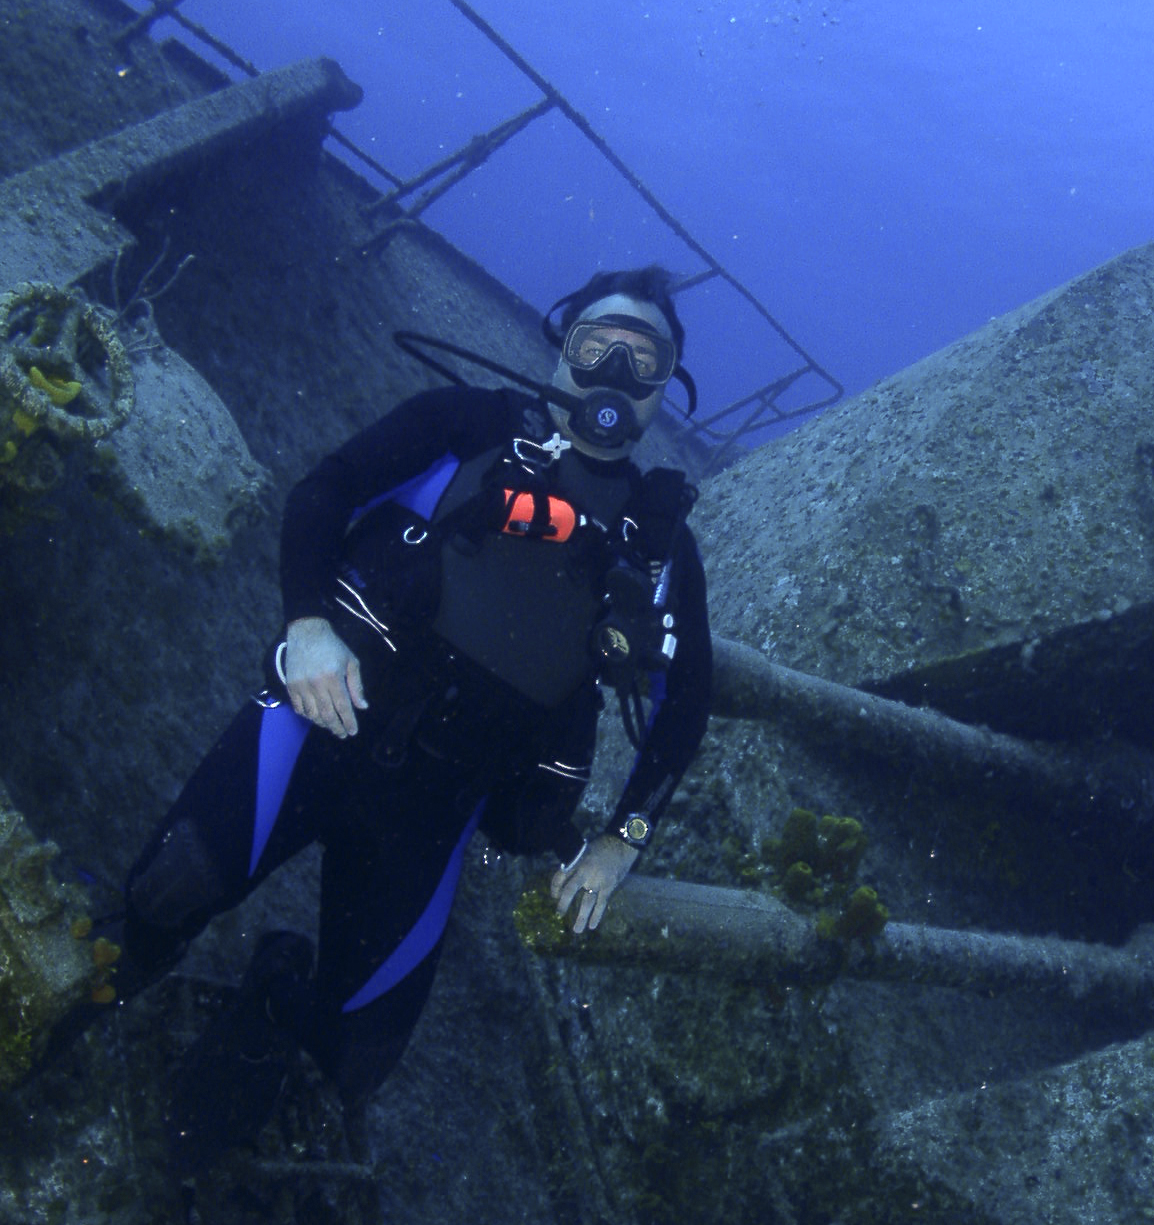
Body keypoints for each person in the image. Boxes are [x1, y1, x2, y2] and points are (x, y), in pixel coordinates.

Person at [114, 264, 711, 1170]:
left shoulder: (663, 544)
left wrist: (621, 838)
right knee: (166, 890)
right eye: (599, 344)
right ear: (563, 345)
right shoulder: (463, 421)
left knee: (357, 1062)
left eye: (646, 356)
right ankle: (72, 1017)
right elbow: (325, 489)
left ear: (667, 384)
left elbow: (685, 701)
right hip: (323, 721)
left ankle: (276, 986)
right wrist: (308, 627)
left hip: (441, 806)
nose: (617, 372)